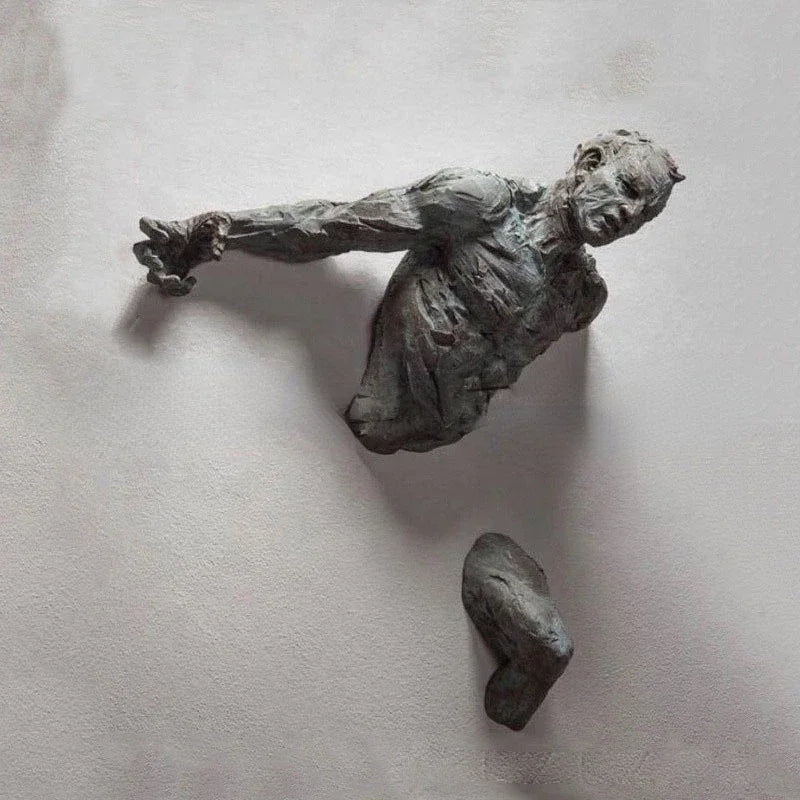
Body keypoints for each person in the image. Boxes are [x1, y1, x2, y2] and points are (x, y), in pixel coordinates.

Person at [134, 130, 684, 453]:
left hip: (446, 430)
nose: (628, 213)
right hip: (387, 401)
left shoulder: (582, 298)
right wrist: (225, 228)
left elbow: (507, 369)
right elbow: (339, 224)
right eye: (628, 188)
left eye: (644, 213)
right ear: (590, 165)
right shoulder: (483, 204)